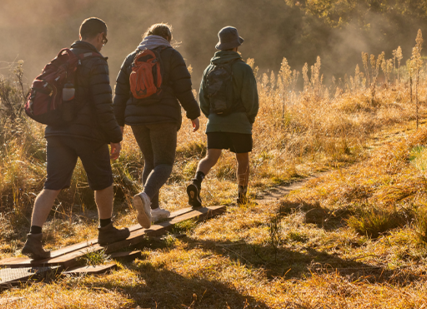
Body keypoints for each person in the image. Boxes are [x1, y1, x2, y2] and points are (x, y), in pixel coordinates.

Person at [21, 17, 129, 259]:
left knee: (52, 185)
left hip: (57, 131)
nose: (103, 44)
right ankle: (106, 230)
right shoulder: (96, 62)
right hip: (87, 132)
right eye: (104, 39)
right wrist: (115, 136)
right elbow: (103, 104)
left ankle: (33, 238)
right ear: (100, 35)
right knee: (103, 182)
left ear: (81, 34)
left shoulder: (64, 59)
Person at [114, 23, 201, 228]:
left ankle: (153, 210)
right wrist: (193, 113)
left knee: (150, 162)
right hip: (163, 117)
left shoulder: (130, 58)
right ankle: (145, 197)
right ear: (167, 38)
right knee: (164, 163)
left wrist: (118, 124)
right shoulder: (171, 55)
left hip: (136, 119)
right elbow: (183, 88)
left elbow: (119, 95)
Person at [188, 26, 259, 207]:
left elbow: (203, 99)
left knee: (210, 158)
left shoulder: (209, 69)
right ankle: (242, 198)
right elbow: (251, 99)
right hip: (240, 122)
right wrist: (248, 119)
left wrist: (213, 117)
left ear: (220, 46)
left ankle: (196, 182)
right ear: (236, 46)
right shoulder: (244, 68)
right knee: (242, 160)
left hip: (215, 123)